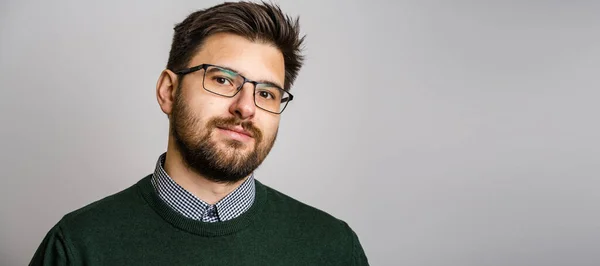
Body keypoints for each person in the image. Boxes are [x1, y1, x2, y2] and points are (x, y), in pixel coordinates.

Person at [29, 2, 369, 265]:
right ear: (168, 91)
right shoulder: (77, 246)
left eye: (266, 92)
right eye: (222, 79)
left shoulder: (333, 248)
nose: (245, 107)